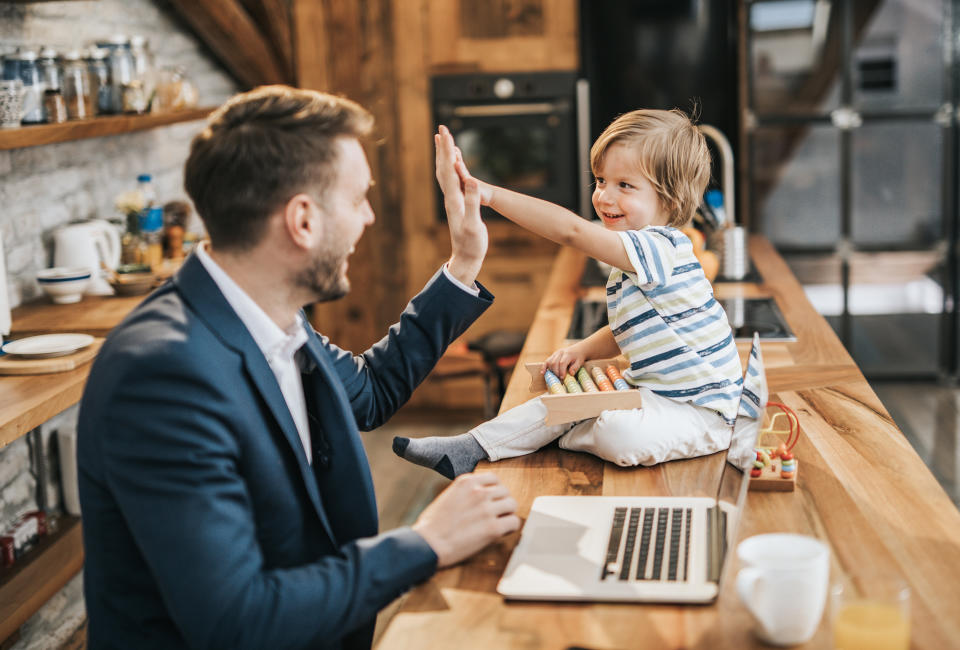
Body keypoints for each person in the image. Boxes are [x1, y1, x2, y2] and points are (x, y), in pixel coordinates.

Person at [77, 85, 520, 650]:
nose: (369, 217)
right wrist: (426, 542)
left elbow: (371, 390)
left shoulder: (270, 314)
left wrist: (464, 261)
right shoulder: (163, 375)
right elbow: (237, 621)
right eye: (358, 198)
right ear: (303, 220)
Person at [394, 110, 743, 476]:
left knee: (613, 431)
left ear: (670, 200)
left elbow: (572, 232)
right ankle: (470, 446)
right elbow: (630, 330)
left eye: (625, 186)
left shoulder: (660, 248)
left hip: (704, 412)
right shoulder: (634, 260)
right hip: (656, 395)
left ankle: (554, 433)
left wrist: (492, 195)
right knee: (566, 399)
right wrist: (582, 350)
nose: (605, 196)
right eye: (601, 180)